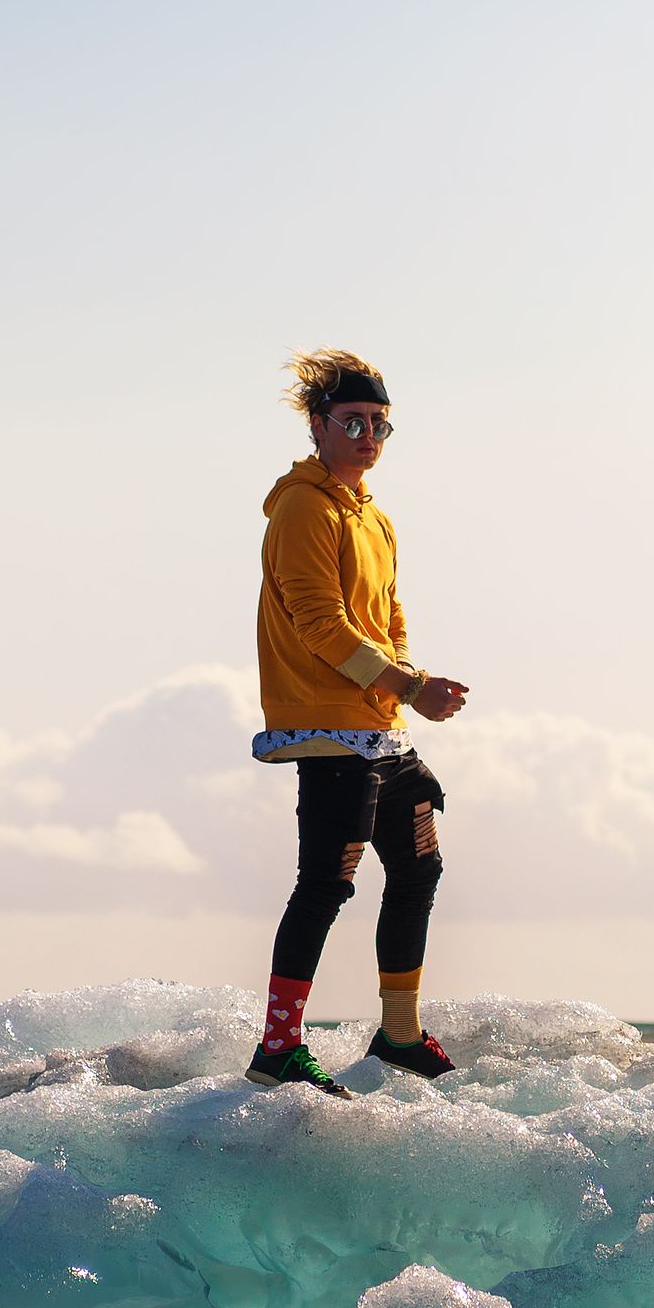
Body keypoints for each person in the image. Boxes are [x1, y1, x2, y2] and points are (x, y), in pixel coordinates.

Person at [245, 350, 470, 1094]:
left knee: (419, 862)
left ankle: (399, 1033)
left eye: (381, 424)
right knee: (326, 883)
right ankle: (279, 1048)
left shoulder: (374, 517)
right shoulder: (304, 507)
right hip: (326, 728)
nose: (369, 434)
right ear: (318, 426)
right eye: (354, 422)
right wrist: (409, 686)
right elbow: (321, 623)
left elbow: (388, 615)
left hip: (379, 728)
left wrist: (406, 684)